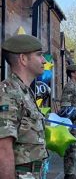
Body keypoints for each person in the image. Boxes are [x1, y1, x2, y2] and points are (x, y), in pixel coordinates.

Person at [0, 34, 48, 179]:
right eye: (39, 55)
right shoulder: (8, 93)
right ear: (23, 59)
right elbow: (3, 149)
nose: (44, 61)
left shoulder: (24, 91)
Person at [61, 64, 76, 179]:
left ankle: (70, 172)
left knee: (74, 148)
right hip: (71, 122)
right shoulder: (69, 87)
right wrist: (69, 124)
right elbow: (65, 107)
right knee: (71, 148)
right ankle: (69, 174)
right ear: (72, 74)